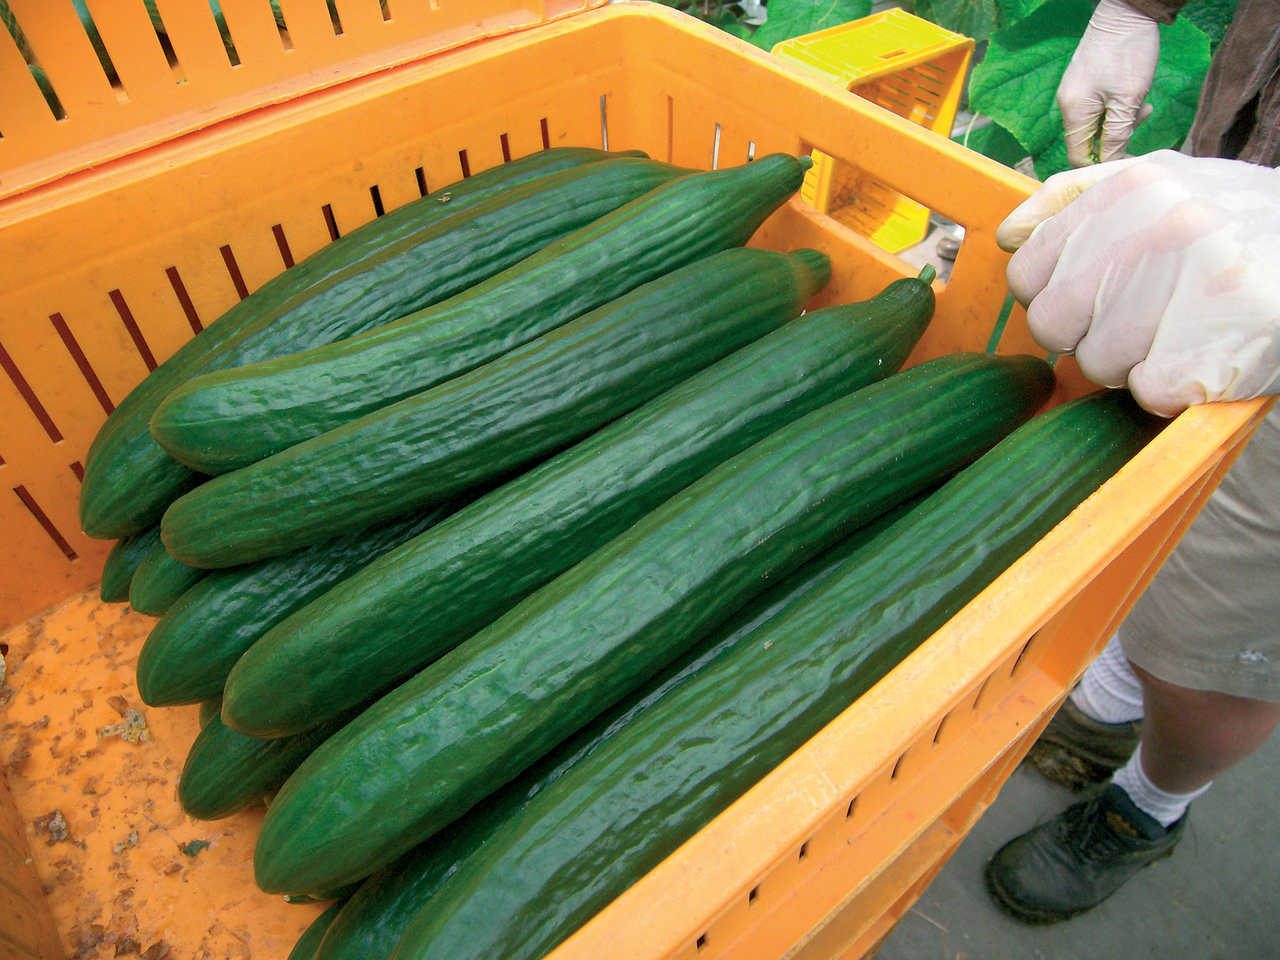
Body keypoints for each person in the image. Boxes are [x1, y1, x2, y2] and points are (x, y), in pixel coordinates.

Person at [979, 0, 1280, 925]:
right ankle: (1108, 698)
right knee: (1159, 488)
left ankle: (1152, 802)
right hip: (1249, 161)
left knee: (1224, 632)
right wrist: (1133, 8)